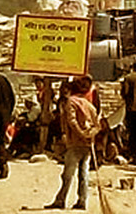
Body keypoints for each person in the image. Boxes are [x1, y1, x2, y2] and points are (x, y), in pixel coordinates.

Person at [46, 76, 100, 210]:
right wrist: (89, 135)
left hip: (75, 143)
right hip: (87, 144)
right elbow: (97, 125)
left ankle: (61, 200)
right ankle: (82, 200)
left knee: (67, 174)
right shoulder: (89, 105)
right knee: (84, 173)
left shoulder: (71, 102)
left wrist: (81, 134)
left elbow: (72, 121)